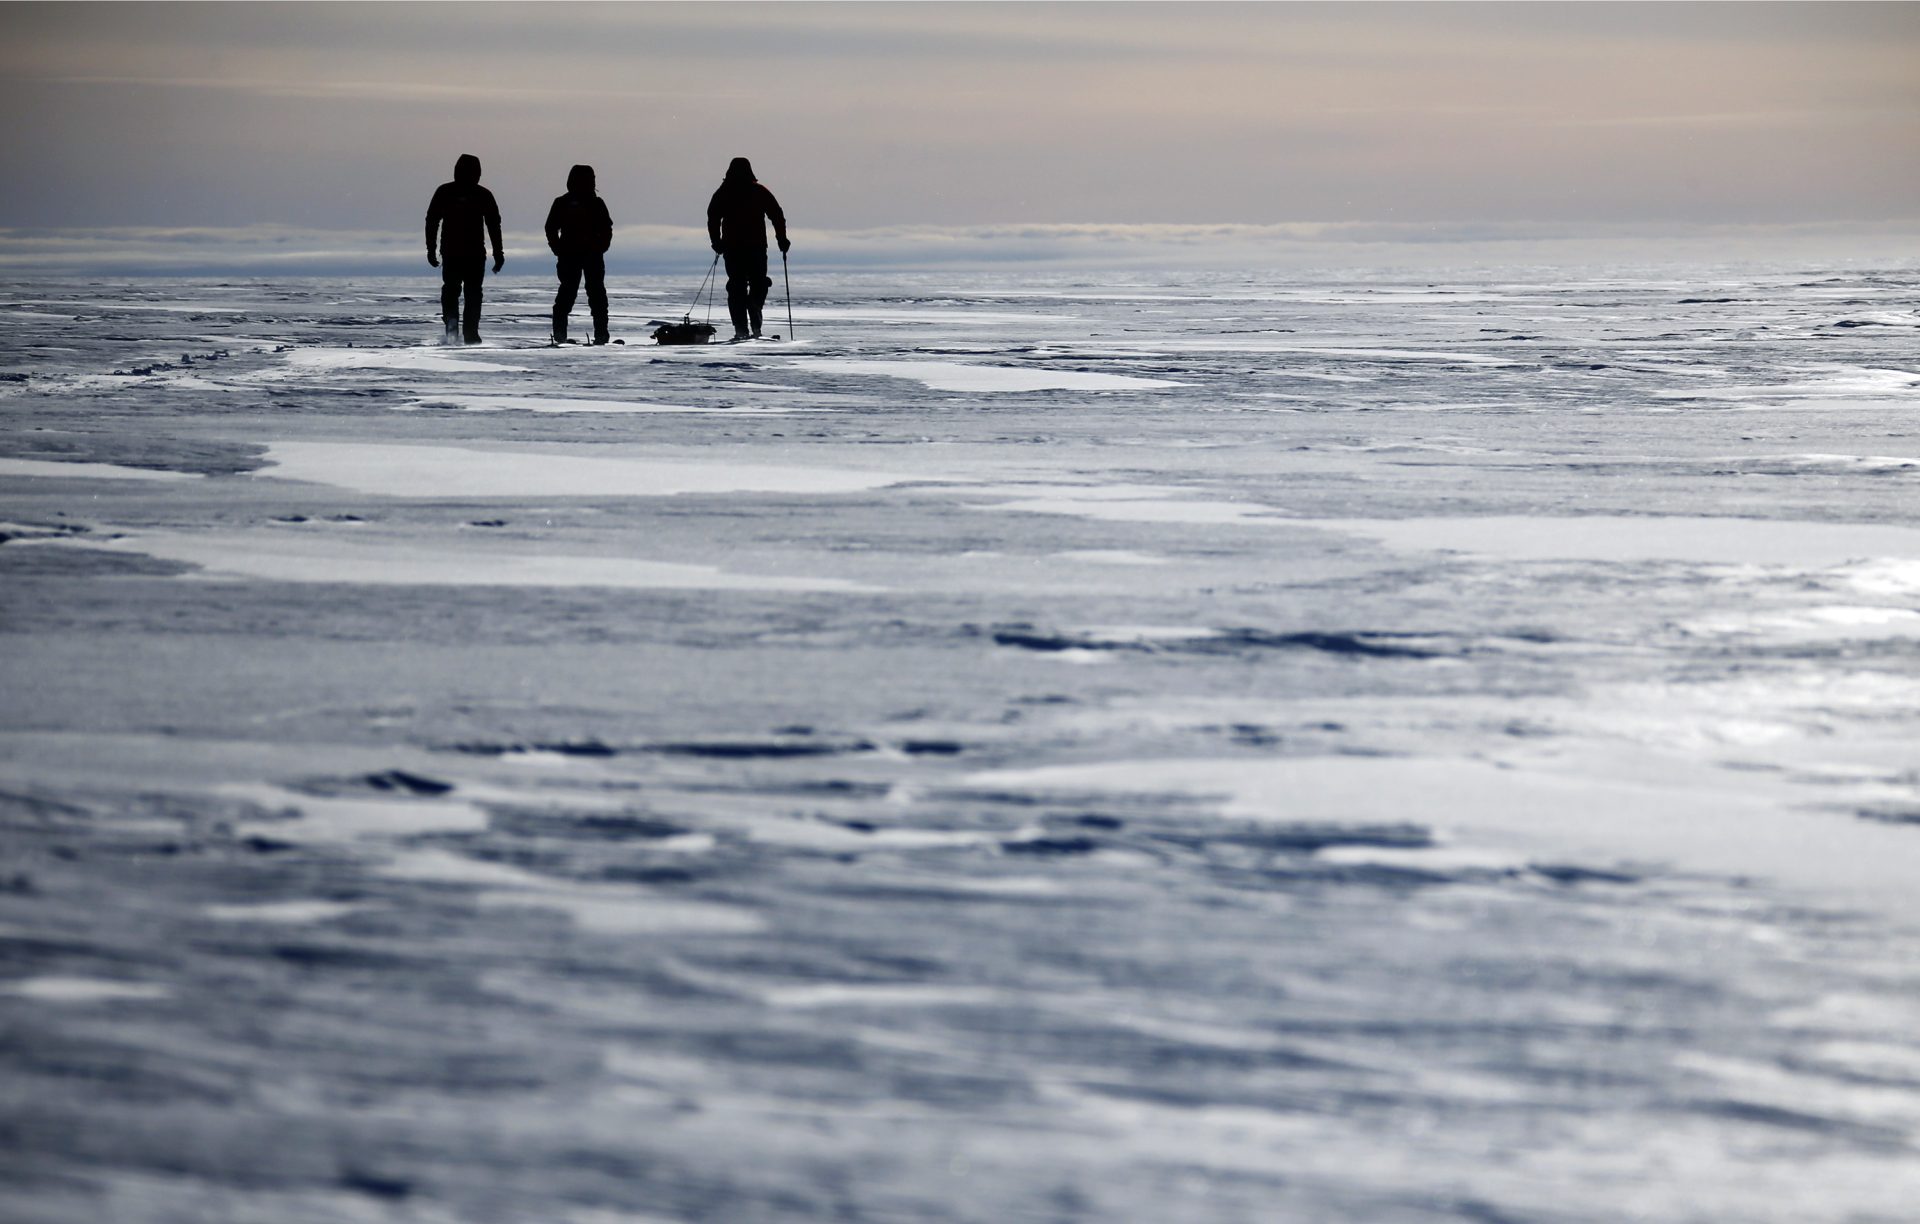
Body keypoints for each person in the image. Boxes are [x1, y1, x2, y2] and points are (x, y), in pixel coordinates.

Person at [424, 153, 504, 344]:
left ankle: (462, 327)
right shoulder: (479, 194)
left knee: (456, 290)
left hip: (461, 252)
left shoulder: (451, 192)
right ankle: (468, 331)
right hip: (466, 253)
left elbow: (432, 221)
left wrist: (431, 249)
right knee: (471, 292)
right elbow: (432, 220)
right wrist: (498, 253)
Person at [705, 157, 789, 340]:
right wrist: (781, 239)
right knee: (758, 283)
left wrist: (716, 241)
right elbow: (777, 214)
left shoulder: (723, 193)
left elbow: (713, 218)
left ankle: (740, 329)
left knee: (736, 286)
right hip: (756, 247)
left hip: (732, 248)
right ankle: (755, 319)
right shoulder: (759, 191)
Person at [544, 164, 614, 345]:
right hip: (569, 256)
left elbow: (607, 228)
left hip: (592, 256)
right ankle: (559, 334)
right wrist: (558, 249)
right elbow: (551, 227)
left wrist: (601, 246)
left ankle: (601, 334)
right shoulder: (562, 202)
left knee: (597, 295)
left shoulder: (597, 203)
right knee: (567, 294)